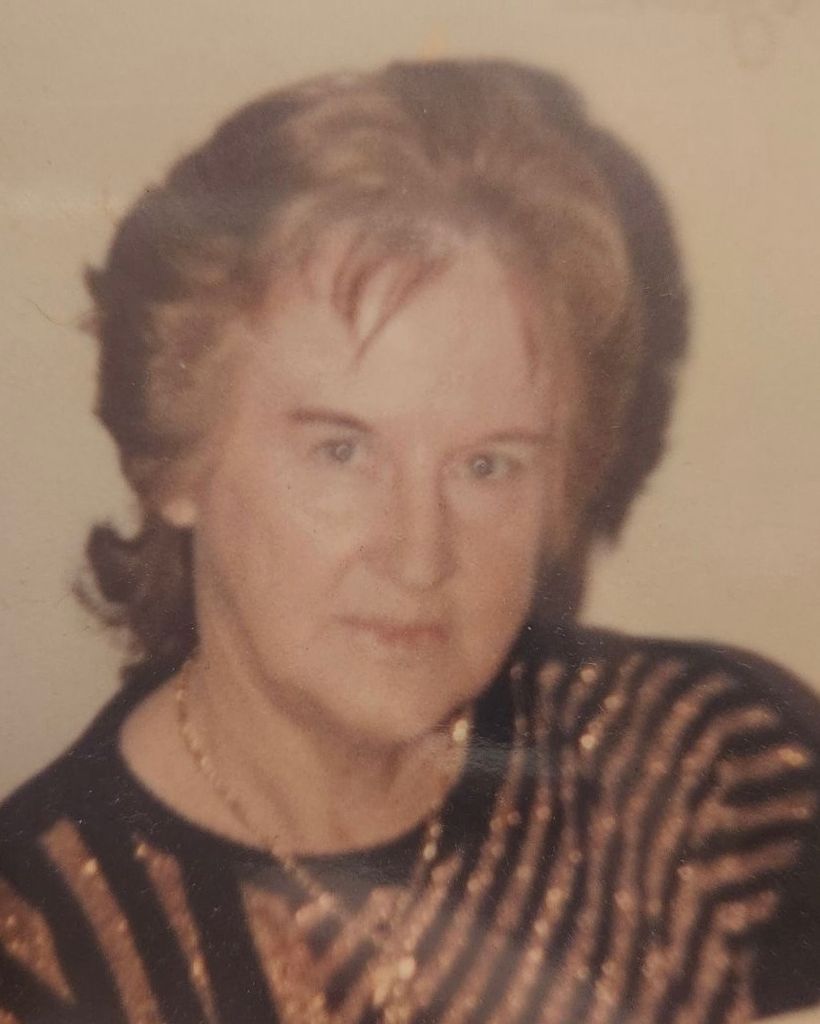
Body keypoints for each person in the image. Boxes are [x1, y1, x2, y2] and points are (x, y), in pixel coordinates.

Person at [1, 58, 818, 1024]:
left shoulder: (713, 776)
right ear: (175, 462)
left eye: (487, 465)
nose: (420, 557)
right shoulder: (41, 953)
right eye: (342, 451)